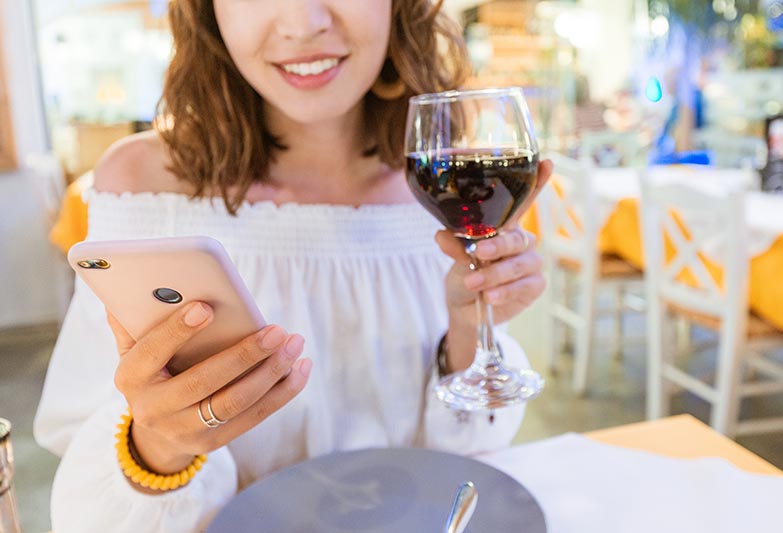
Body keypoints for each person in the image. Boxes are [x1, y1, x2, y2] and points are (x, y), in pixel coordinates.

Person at [34, 1, 553, 531]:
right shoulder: (145, 188)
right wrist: (158, 446)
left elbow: (470, 461)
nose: (303, 25)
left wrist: (468, 328)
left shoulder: (440, 183)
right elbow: (88, 507)